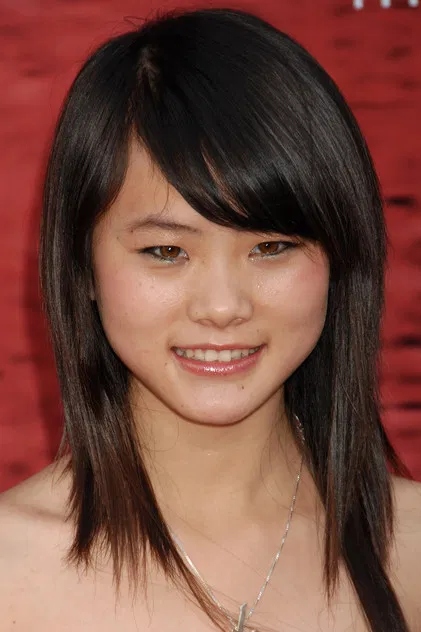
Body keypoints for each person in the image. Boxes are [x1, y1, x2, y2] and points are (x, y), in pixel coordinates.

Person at [0, 6, 420, 632]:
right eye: (166, 251)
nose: (223, 307)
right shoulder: (11, 571)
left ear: (341, 257)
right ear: (82, 266)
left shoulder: (412, 547)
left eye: (271, 246)